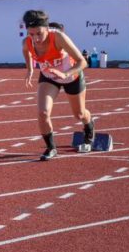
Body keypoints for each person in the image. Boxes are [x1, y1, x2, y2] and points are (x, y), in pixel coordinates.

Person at [22, 10, 94, 161]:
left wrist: (66, 74)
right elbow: (26, 52)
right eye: (31, 34)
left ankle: (89, 126)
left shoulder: (59, 38)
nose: (35, 38)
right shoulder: (27, 42)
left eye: (39, 33)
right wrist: (30, 70)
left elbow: (83, 62)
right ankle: (51, 148)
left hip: (71, 76)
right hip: (49, 77)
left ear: (47, 28)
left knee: (79, 114)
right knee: (42, 113)